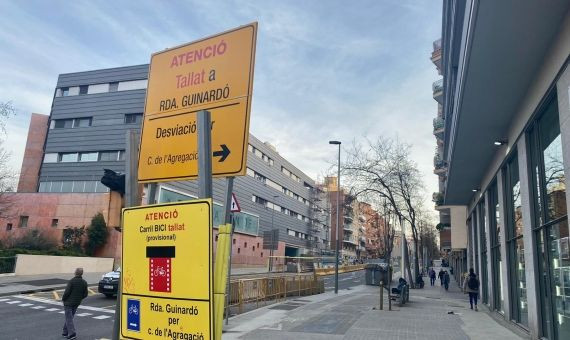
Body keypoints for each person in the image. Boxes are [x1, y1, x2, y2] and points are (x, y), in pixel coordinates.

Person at [62, 268, 88, 339]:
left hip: (68, 303)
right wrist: (79, 298)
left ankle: (72, 334)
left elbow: (67, 292)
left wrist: (63, 299)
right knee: (69, 318)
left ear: (75, 273)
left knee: (69, 318)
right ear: (81, 274)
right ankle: (65, 332)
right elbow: (85, 294)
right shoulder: (84, 282)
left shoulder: (71, 281)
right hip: (76, 303)